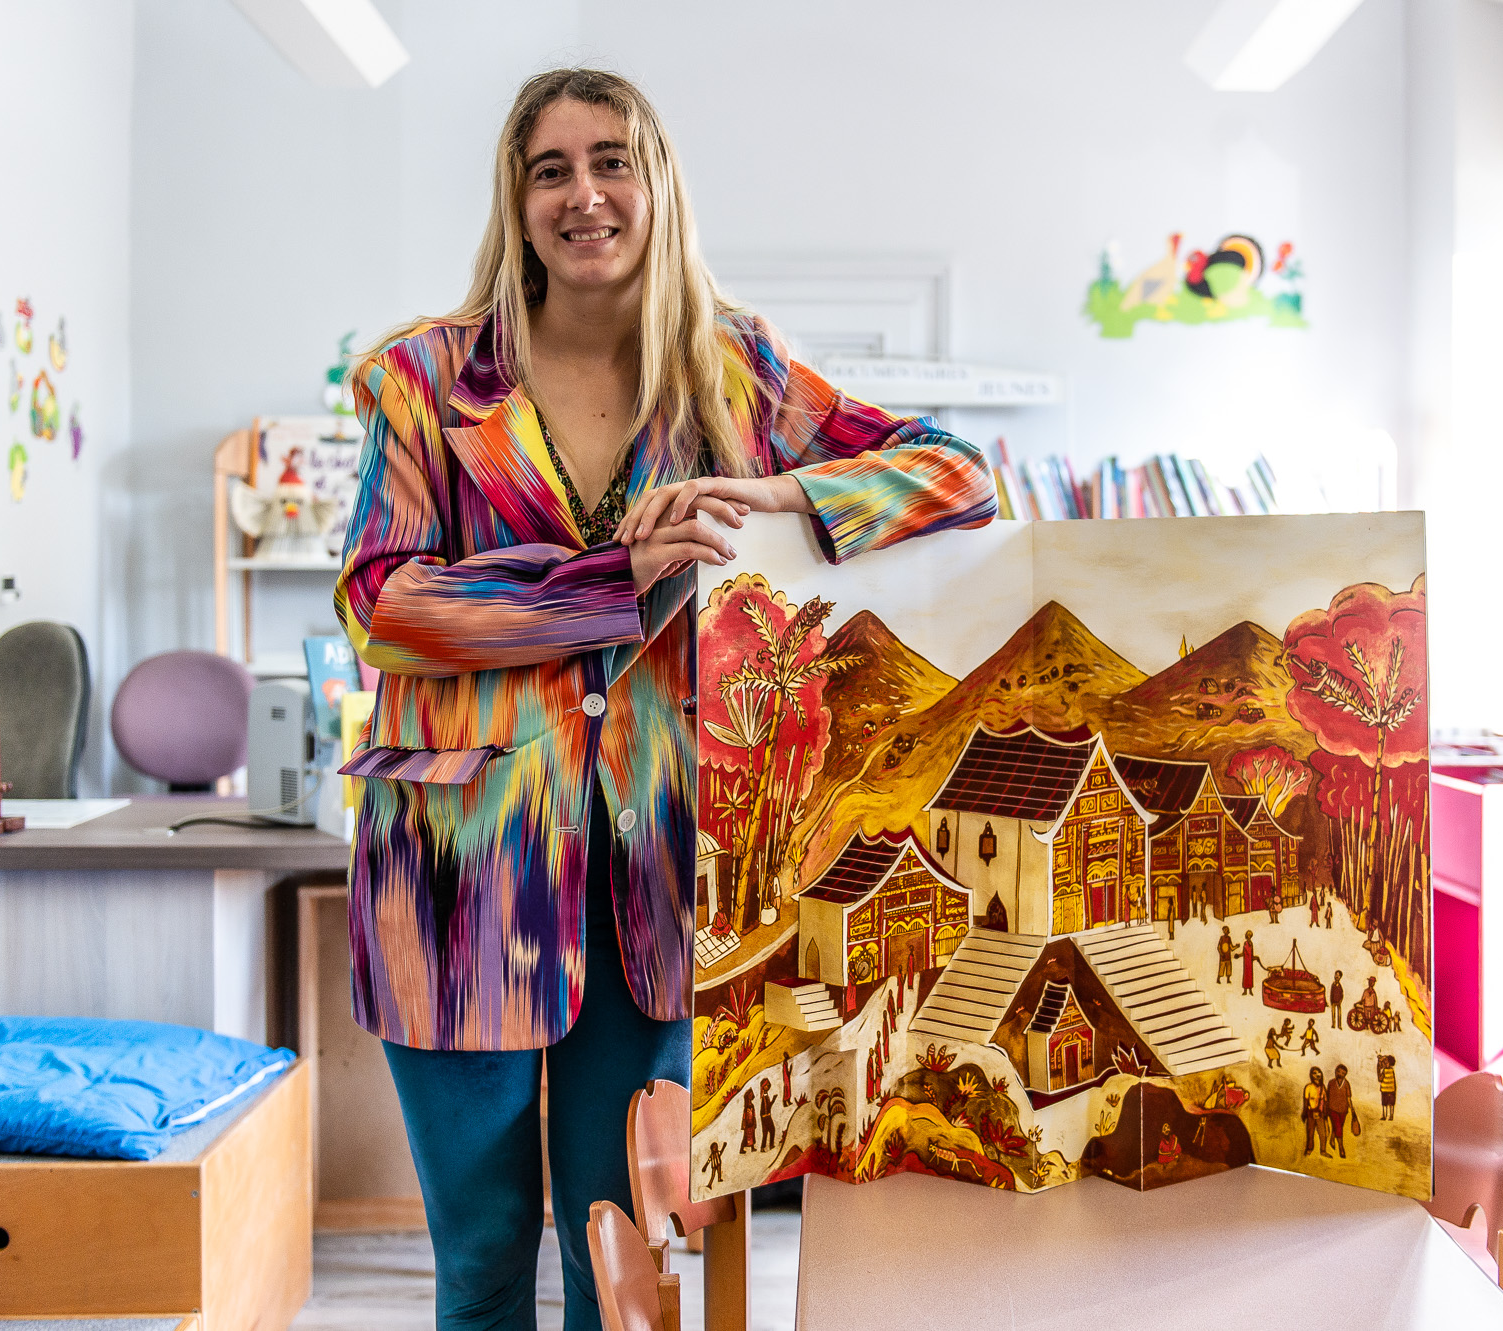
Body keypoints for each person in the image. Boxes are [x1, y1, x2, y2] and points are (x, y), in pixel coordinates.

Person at [335, 67, 994, 1331]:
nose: (583, 194)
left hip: (654, 881)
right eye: (551, 170)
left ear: (656, 186)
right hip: (459, 873)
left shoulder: (734, 373)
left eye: (612, 163)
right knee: (481, 1259)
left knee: (622, 1256)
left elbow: (958, 474)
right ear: (517, 202)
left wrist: (787, 495)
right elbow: (384, 606)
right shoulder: (422, 379)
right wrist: (606, 583)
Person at [1326, 1064, 1355, 1157]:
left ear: (1345, 1075)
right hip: (1332, 1108)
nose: (1340, 1074)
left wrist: (1352, 1108)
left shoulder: (1346, 1084)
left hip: (1343, 1109)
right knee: (1338, 1127)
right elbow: (1327, 1096)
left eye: (1343, 1073)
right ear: (1335, 1071)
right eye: (1338, 1071)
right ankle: (1341, 1147)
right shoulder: (1331, 1083)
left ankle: (1332, 1138)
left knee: (1338, 1126)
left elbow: (1348, 1097)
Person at [1302, 1067, 1327, 1155]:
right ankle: (1309, 1149)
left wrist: (1325, 1114)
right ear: (1311, 1075)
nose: (1317, 1075)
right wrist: (1304, 1113)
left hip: (1320, 1114)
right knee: (1310, 1133)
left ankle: (1323, 1151)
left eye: (1318, 1072)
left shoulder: (1323, 1087)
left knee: (1322, 1133)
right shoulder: (1308, 1087)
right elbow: (1306, 1101)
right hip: (1310, 1112)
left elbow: (1325, 1101)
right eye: (1314, 1073)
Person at [1377, 1054, 1397, 1121]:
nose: (1385, 1063)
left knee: (1385, 1103)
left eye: (1386, 1062)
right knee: (1390, 1104)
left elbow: (1380, 1079)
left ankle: (1385, 1116)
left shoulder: (1385, 1070)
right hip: (1391, 1090)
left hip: (1385, 1089)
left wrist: (1378, 1070)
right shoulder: (1391, 1070)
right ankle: (1390, 1116)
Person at [1240, 930, 1258, 996]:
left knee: (1250, 976)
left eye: (1250, 935)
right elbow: (1243, 952)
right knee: (1245, 975)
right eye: (1248, 935)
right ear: (1246, 936)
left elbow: (1252, 952)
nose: (1249, 936)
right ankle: (1245, 991)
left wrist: (1254, 958)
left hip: (1250, 962)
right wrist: (1239, 955)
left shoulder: (1251, 943)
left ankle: (1250, 990)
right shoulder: (1245, 943)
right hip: (1246, 961)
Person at [740, 1088, 757, 1154]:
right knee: (746, 1137)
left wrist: (754, 1121)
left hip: (751, 1122)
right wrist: (744, 1123)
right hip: (747, 1123)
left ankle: (752, 1147)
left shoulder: (752, 1105)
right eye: (750, 1095)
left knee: (752, 1135)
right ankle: (741, 1149)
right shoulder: (746, 1106)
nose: (751, 1096)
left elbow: (754, 1114)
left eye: (751, 1095)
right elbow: (744, 1115)